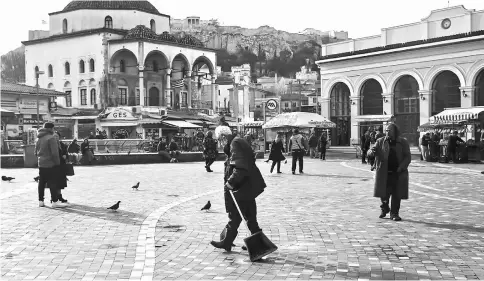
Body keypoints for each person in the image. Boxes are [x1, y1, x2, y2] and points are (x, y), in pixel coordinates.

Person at [210, 128, 266, 253]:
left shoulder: (235, 143)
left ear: (224, 137)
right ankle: (259, 244)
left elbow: (240, 167)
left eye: (220, 139)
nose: (220, 143)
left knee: (236, 214)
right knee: (249, 216)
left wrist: (230, 182)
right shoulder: (238, 141)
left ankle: (228, 242)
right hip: (247, 185)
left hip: (242, 186)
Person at [368, 123, 411, 221]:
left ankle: (394, 213)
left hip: (398, 172)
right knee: (384, 193)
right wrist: (371, 152)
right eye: (386, 130)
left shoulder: (403, 142)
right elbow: (370, 152)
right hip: (384, 172)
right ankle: (385, 207)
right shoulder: (380, 141)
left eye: (389, 130)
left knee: (397, 194)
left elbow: (407, 157)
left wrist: (401, 167)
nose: (387, 132)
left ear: (395, 131)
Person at [35, 122, 67, 208]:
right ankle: (54, 201)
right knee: (53, 182)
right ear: (50, 129)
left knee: (41, 182)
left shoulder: (38, 138)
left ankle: (41, 201)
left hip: (41, 163)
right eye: (53, 128)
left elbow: (35, 152)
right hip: (50, 163)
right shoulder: (51, 138)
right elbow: (55, 153)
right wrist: (57, 163)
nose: (54, 130)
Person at [54, 131, 69, 204]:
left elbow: (66, 153)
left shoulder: (62, 145)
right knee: (54, 182)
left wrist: (65, 156)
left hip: (61, 165)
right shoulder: (51, 145)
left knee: (60, 182)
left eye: (57, 136)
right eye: (54, 136)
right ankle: (54, 197)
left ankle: (59, 196)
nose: (56, 138)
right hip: (54, 165)